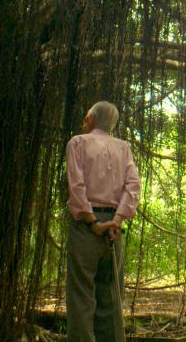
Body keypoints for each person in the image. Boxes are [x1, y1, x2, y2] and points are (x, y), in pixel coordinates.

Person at [66, 101, 141, 342]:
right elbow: (133, 186)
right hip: (114, 229)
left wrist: (93, 223)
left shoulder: (77, 142)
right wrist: (117, 220)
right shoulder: (123, 148)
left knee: (81, 295)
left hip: (86, 227)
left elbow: (77, 187)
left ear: (90, 117)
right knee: (111, 294)